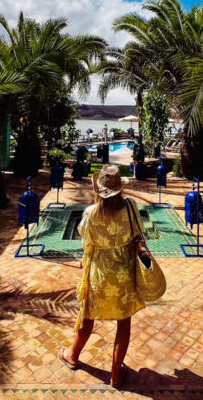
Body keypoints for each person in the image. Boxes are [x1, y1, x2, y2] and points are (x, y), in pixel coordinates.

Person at [58, 164, 146, 388]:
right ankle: (116, 375)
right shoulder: (130, 207)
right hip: (124, 275)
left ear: (100, 190)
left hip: (99, 275)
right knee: (123, 322)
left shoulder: (91, 213)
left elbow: (85, 239)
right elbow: (139, 233)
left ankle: (73, 355)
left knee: (88, 315)